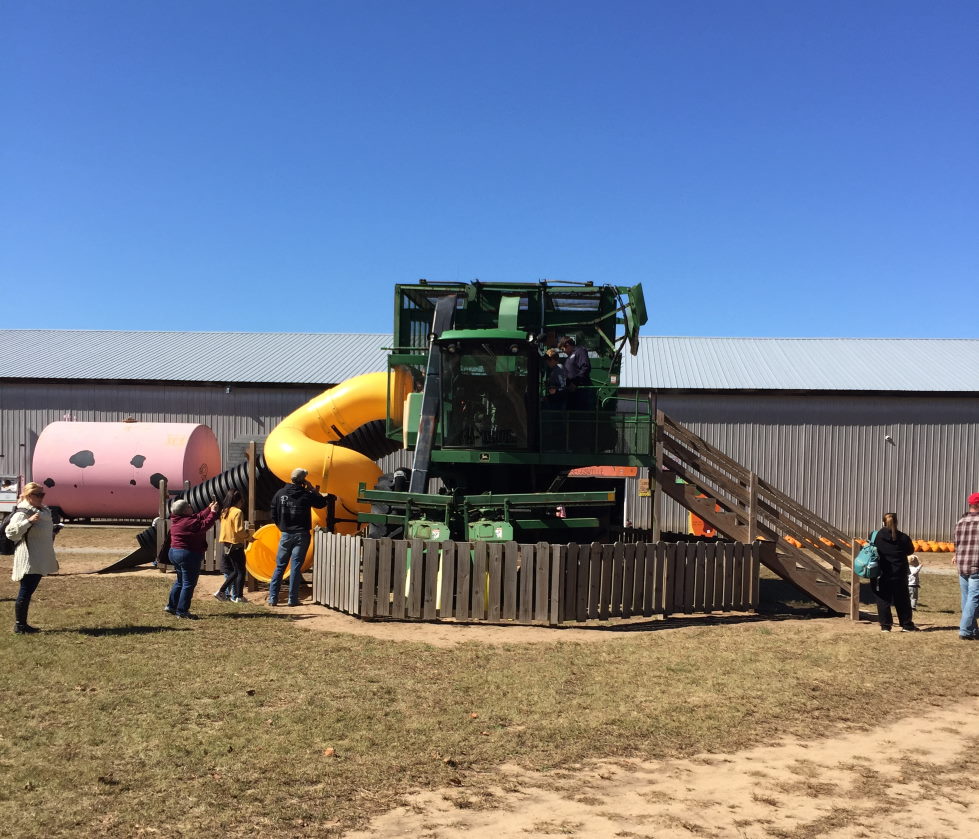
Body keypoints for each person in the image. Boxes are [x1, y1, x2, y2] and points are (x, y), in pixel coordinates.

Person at [267, 467, 330, 606]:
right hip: (301, 534)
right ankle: (292, 599)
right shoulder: (306, 494)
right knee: (295, 567)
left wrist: (282, 526)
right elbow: (322, 503)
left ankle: (272, 598)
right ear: (304, 480)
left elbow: (273, 512)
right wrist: (312, 490)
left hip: (286, 534)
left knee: (280, 566)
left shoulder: (280, 493)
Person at [5, 482, 59, 634]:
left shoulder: (42, 510)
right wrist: (28, 521)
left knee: (29, 589)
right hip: (29, 557)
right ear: (29, 496)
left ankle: (21, 624)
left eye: (43, 494)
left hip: (39, 556)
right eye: (38, 495)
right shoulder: (23, 512)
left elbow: (40, 529)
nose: (42, 497)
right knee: (26, 590)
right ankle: (20, 625)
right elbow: (11, 533)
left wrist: (53, 531)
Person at [165, 498, 220, 620]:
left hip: (175, 553)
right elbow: (204, 525)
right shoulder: (188, 522)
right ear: (185, 511)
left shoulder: (178, 519)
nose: (191, 507)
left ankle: (171, 606)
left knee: (180, 581)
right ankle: (182, 610)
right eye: (189, 506)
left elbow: (198, 516)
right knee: (189, 584)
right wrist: (213, 513)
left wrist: (208, 508)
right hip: (187, 554)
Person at [870, 512, 918, 632]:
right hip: (899, 572)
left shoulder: (875, 536)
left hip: (881, 572)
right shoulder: (903, 538)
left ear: (883, 522)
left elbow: (870, 548)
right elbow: (910, 551)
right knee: (902, 599)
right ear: (896, 522)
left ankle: (885, 626)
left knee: (883, 599)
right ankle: (906, 624)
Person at [214, 489, 250, 603]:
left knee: (235, 571)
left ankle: (232, 594)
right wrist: (248, 536)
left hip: (226, 544)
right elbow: (239, 530)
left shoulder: (224, 511)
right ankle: (231, 594)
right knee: (240, 571)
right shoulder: (238, 512)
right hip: (235, 544)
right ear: (239, 500)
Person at [952, 491, 979, 641]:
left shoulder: (960, 522)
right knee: (974, 598)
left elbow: (956, 544)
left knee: (967, 598)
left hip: (963, 565)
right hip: (976, 565)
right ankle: (965, 629)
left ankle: (973, 630)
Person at [557, 335, 592, 410]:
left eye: (563, 349)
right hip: (571, 392)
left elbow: (585, 367)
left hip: (580, 391)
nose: (563, 352)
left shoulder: (580, 351)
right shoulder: (568, 358)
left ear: (567, 345)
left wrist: (575, 383)